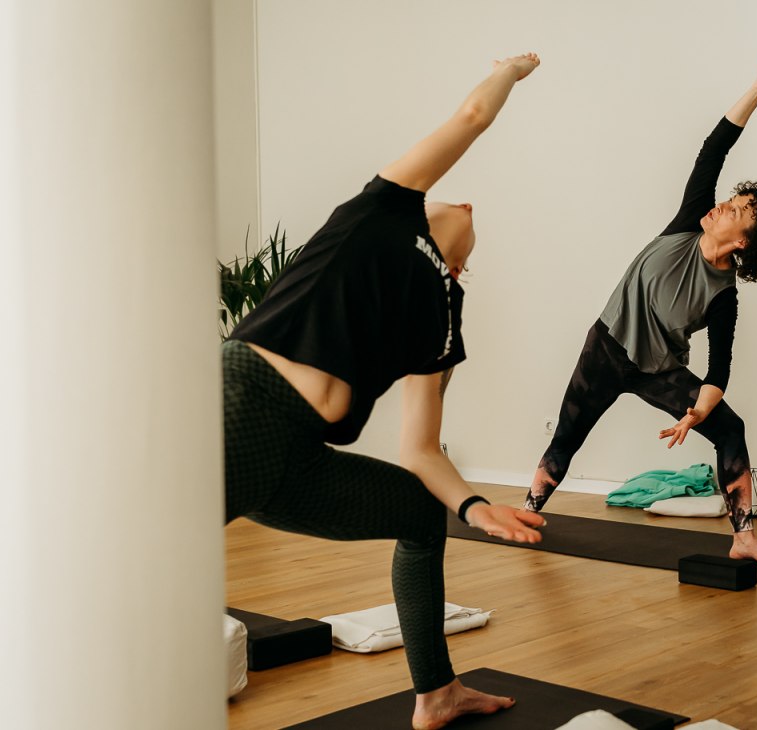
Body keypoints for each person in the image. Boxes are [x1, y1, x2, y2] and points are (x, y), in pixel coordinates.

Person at [222, 53, 546, 730]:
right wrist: (510, 70)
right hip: (240, 410)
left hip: (297, 463)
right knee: (135, 563)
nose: (465, 205)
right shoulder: (380, 210)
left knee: (420, 515)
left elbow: (420, 450)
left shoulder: (444, 314)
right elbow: (472, 115)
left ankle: (437, 693)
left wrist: (473, 506)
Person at [521, 44, 757, 567]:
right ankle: (528, 513)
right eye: (731, 199)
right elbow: (713, 150)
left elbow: (719, 371)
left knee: (730, 428)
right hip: (606, 347)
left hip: (658, 371)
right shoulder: (688, 221)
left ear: (743, 241)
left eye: (735, 210)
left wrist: (695, 413)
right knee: (567, 434)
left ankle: (743, 536)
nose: (722, 206)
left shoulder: (723, 296)